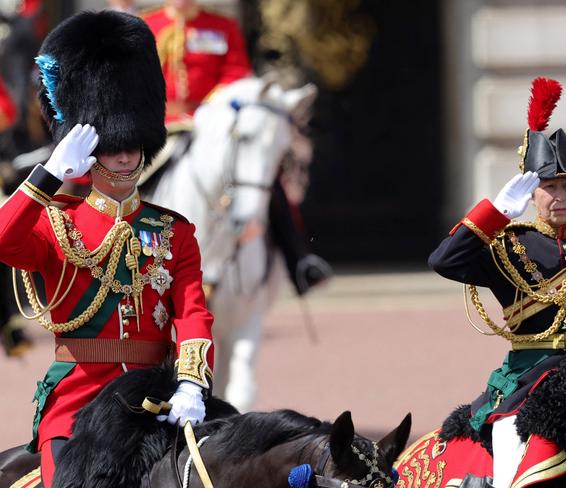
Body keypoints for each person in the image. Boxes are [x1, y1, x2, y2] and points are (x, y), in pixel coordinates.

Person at [0, 11, 214, 487]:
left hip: (156, 400)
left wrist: (193, 382)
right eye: (112, 143)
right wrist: (49, 174)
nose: (124, 153)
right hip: (78, 403)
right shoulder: (57, 222)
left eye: (132, 143)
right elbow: (3, 240)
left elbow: (193, 314)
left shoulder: (172, 231)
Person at [428, 77, 566, 488]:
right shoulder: (509, 247)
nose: (559, 196)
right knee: (514, 461)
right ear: (532, 194)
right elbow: (444, 261)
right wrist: (494, 213)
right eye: (549, 187)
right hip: (534, 376)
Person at [141, 0, 331, 296]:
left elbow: (235, 74)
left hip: (210, 125)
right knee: (123, 180)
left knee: (265, 183)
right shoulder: (146, 26)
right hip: (161, 125)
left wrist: (211, 112)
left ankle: (300, 260)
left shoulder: (221, 27)